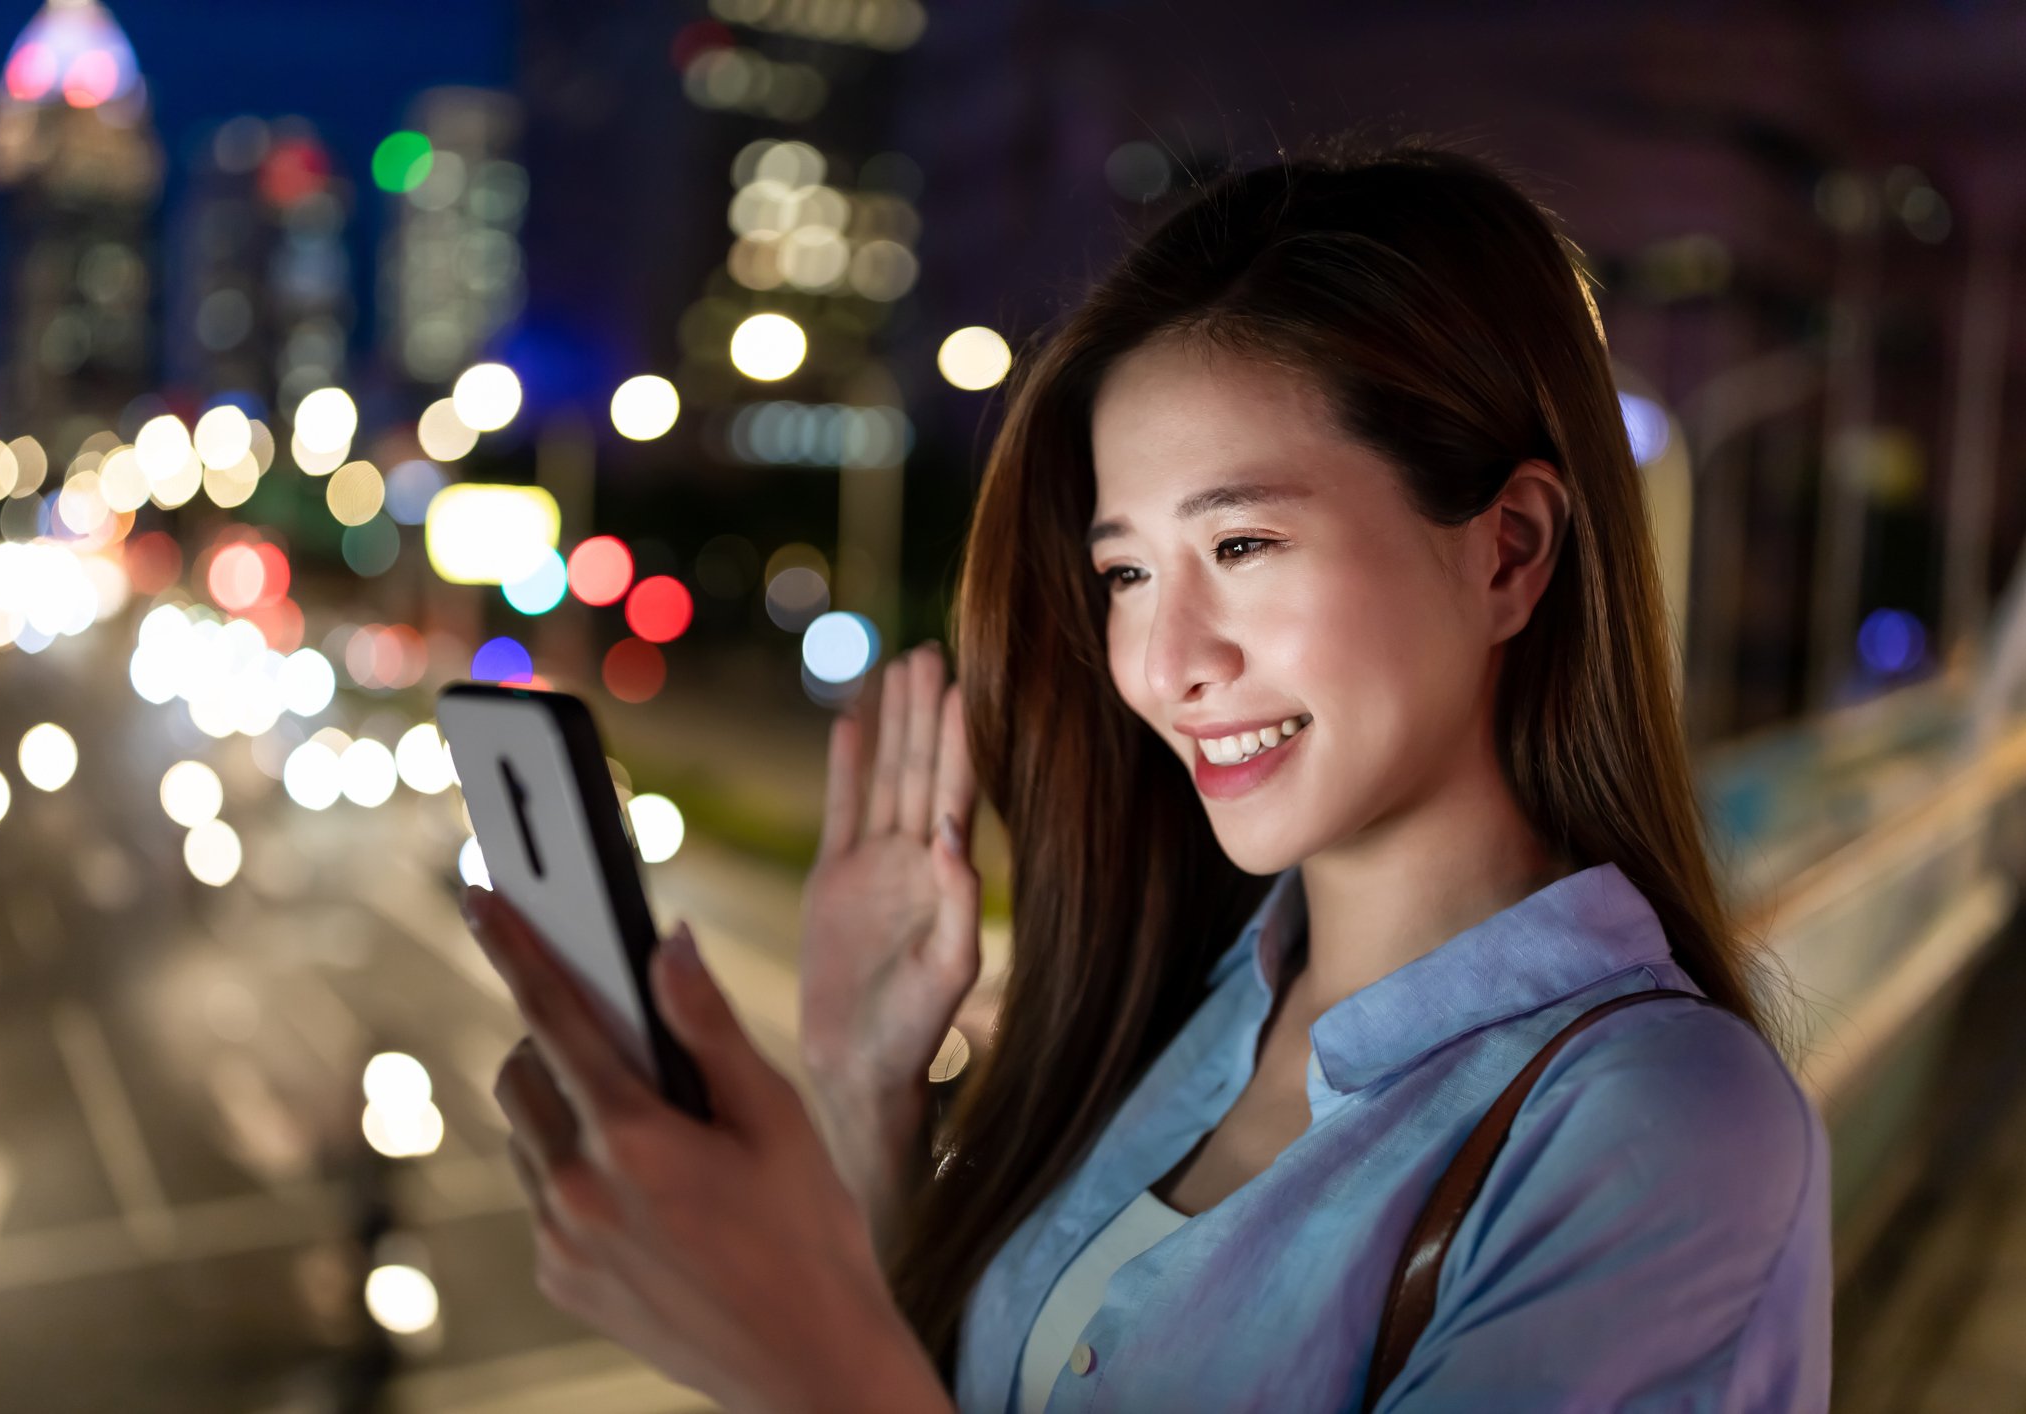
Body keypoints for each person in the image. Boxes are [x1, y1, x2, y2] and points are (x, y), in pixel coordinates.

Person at [462, 130, 1830, 1414]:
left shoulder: (1661, 1129)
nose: (1163, 662)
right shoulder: (1184, 1009)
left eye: (1240, 546)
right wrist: (866, 1084)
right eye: (1123, 571)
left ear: (1508, 550)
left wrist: (797, 1355)